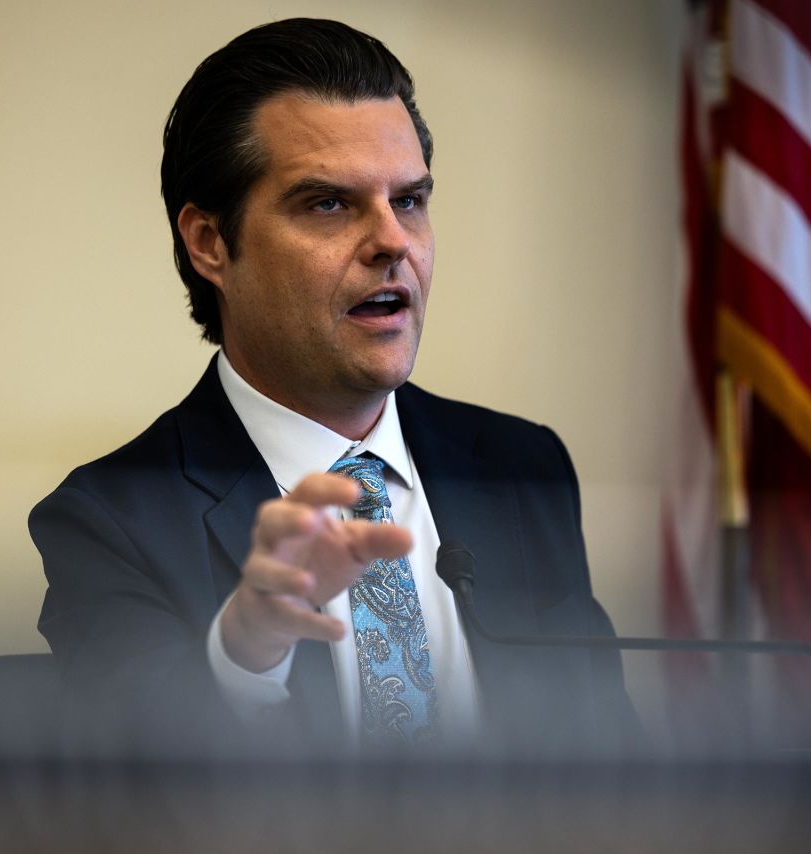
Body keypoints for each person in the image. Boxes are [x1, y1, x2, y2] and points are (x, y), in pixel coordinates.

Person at [31, 18, 638, 758]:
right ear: (210, 243)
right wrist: (245, 655)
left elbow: (608, 766)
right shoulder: (112, 521)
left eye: (409, 200)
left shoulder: (520, 469)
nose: (393, 242)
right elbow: (145, 803)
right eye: (329, 204)